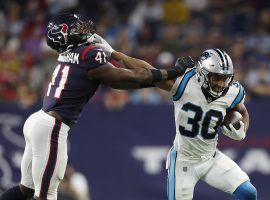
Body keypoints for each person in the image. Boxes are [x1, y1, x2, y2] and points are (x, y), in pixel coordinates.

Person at [0, 13, 193, 200]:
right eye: (77, 27)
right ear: (66, 36)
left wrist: (115, 54)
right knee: (45, 195)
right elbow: (125, 79)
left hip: (38, 120)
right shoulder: (89, 54)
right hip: (52, 127)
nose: (83, 28)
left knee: (26, 189)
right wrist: (173, 72)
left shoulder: (71, 53)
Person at [96, 40, 257, 200]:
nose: (222, 84)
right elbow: (146, 71)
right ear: (202, 73)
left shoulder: (233, 91)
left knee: (248, 192)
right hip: (183, 161)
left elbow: (242, 110)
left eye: (225, 78)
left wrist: (243, 129)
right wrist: (115, 54)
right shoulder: (185, 82)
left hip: (210, 158)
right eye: (216, 78)